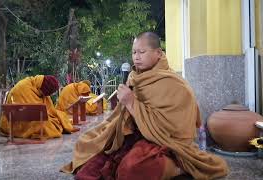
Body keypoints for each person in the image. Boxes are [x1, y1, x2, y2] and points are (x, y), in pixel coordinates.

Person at [61, 32, 229, 179]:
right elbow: (121, 116)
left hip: (164, 142)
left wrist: (131, 102)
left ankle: (179, 167)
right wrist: (123, 111)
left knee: (132, 170)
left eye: (142, 52)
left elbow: (175, 129)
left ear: (158, 53)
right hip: (135, 135)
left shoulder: (175, 84)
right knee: (88, 151)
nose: (136, 57)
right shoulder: (134, 77)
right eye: (134, 52)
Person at [0, 75, 78, 139]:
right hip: (18, 120)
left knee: (59, 116)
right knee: (47, 126)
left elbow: (49, 109)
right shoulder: (24, 88)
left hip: (32, 114)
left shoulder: (39, 85)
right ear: (42, 89)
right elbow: (32, 111)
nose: (45, 96)